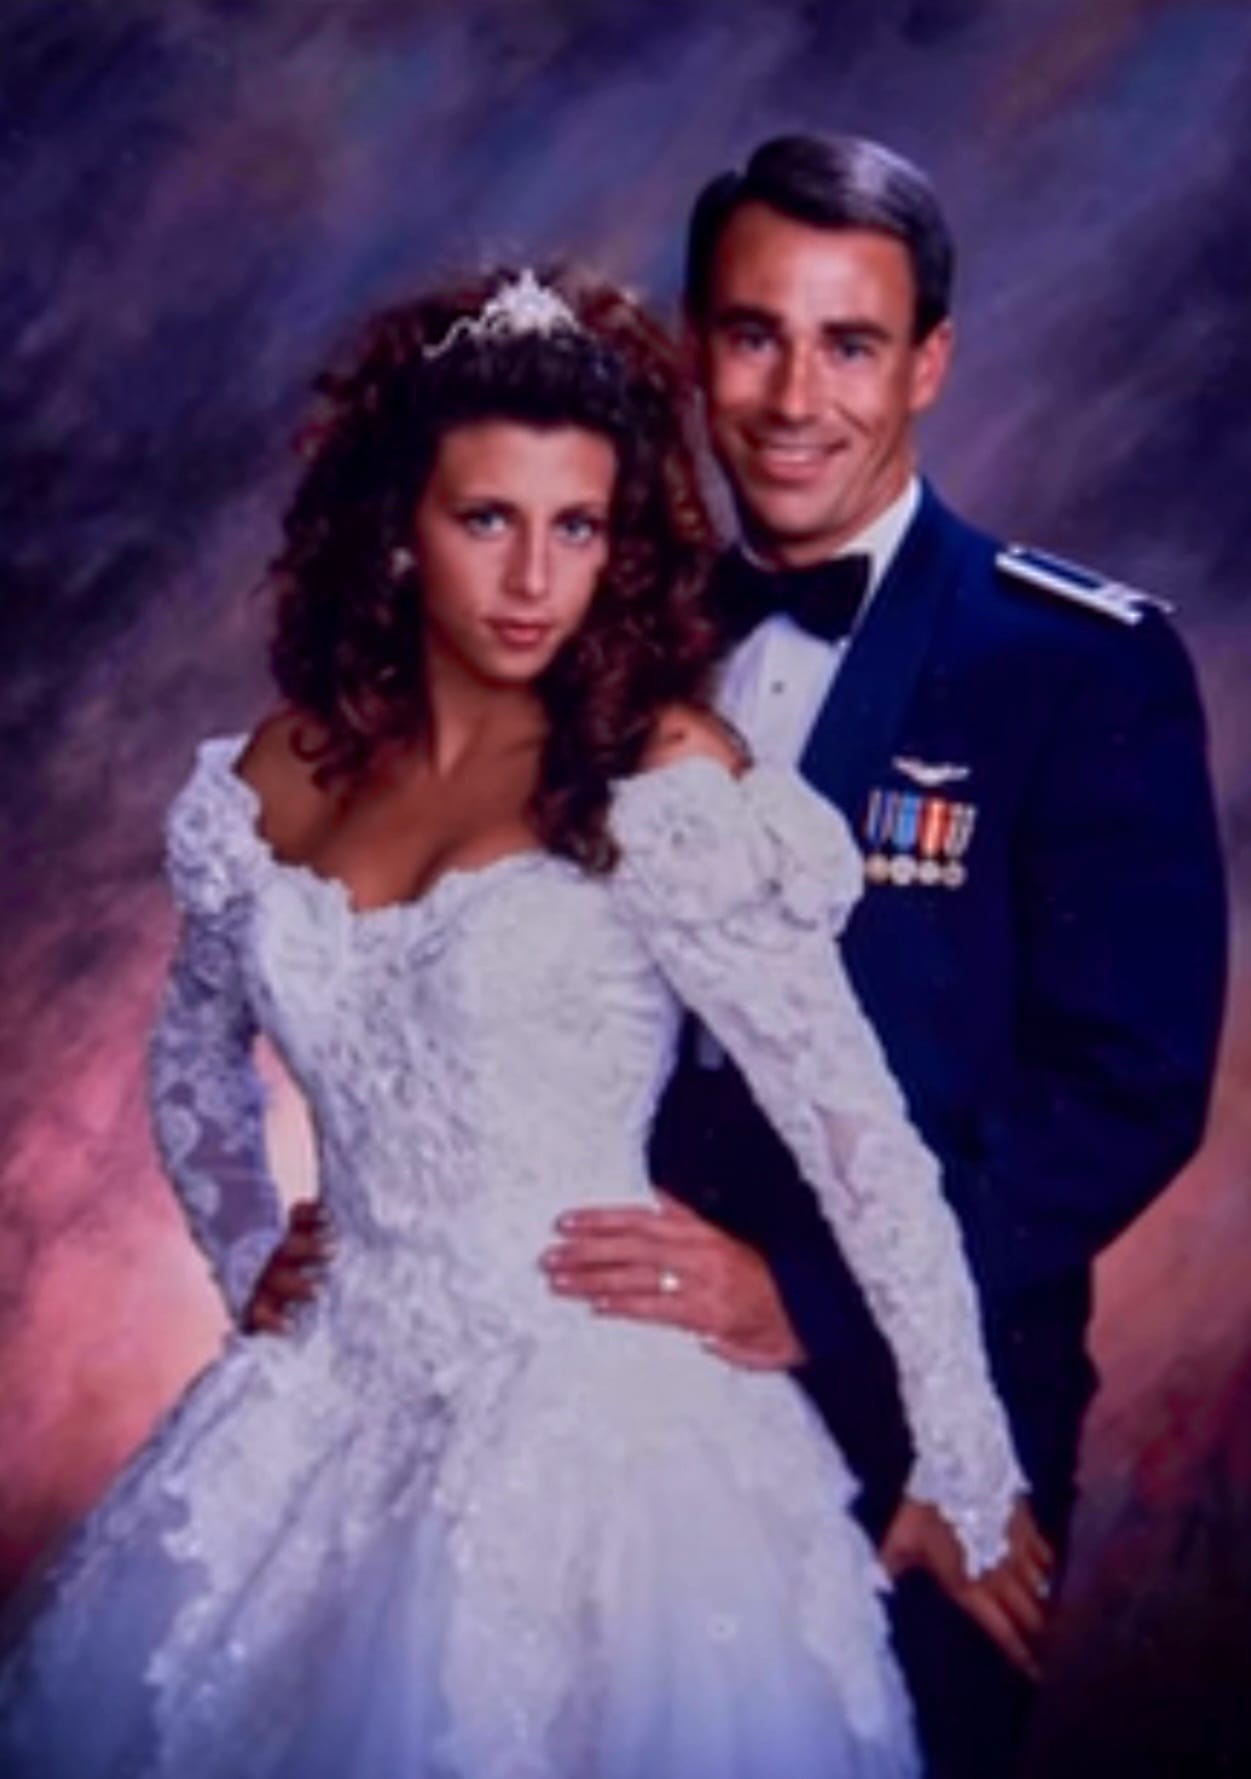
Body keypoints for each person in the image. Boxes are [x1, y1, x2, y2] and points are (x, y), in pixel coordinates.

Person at [0, 266, 1039, 1779]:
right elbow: (190, 1056)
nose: (536, 578)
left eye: (579, 527)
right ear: (397, 530)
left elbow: (859, 1132)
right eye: (488, 520)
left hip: (594, 1440)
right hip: (318, 1410)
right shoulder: (275, 779)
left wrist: (964, 1458)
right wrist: (254, 1256)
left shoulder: (658, 779)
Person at [535, 136, 1228, 1776]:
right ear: (694, 346)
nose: (795, 399)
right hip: (606, 1371)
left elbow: (1127, 1091)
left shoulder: (1073, 663)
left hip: (924, 1406)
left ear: (929, 364)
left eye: (850, 344)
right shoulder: (592, 632)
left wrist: (814, 1299)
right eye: (754, 336)